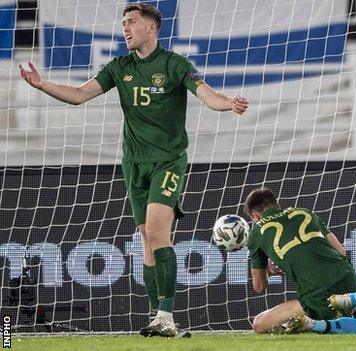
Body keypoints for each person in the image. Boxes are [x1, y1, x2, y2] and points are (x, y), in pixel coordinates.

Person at [19, 3, 249, 337]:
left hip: (167, 161)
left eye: (131, 22)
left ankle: (167, 316)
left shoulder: (173, 64)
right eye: (123, 23)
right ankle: (158, 316)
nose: (125, 28)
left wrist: (228, 102)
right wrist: (43, 85)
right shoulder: (119, 66)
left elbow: (207, 95)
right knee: (145, 238)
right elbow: (80, 95)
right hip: (134, 163)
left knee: (157, 234)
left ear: (151, 28)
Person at [244, 188, 356, 333]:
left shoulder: (256, 233)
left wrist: (266, 270)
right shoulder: (304, 212)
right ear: (277, 205)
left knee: (259, 323)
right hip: (347, 278)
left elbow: (259, 287)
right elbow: (341, 251)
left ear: (256, 216)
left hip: (316, 295)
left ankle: (303, 324)